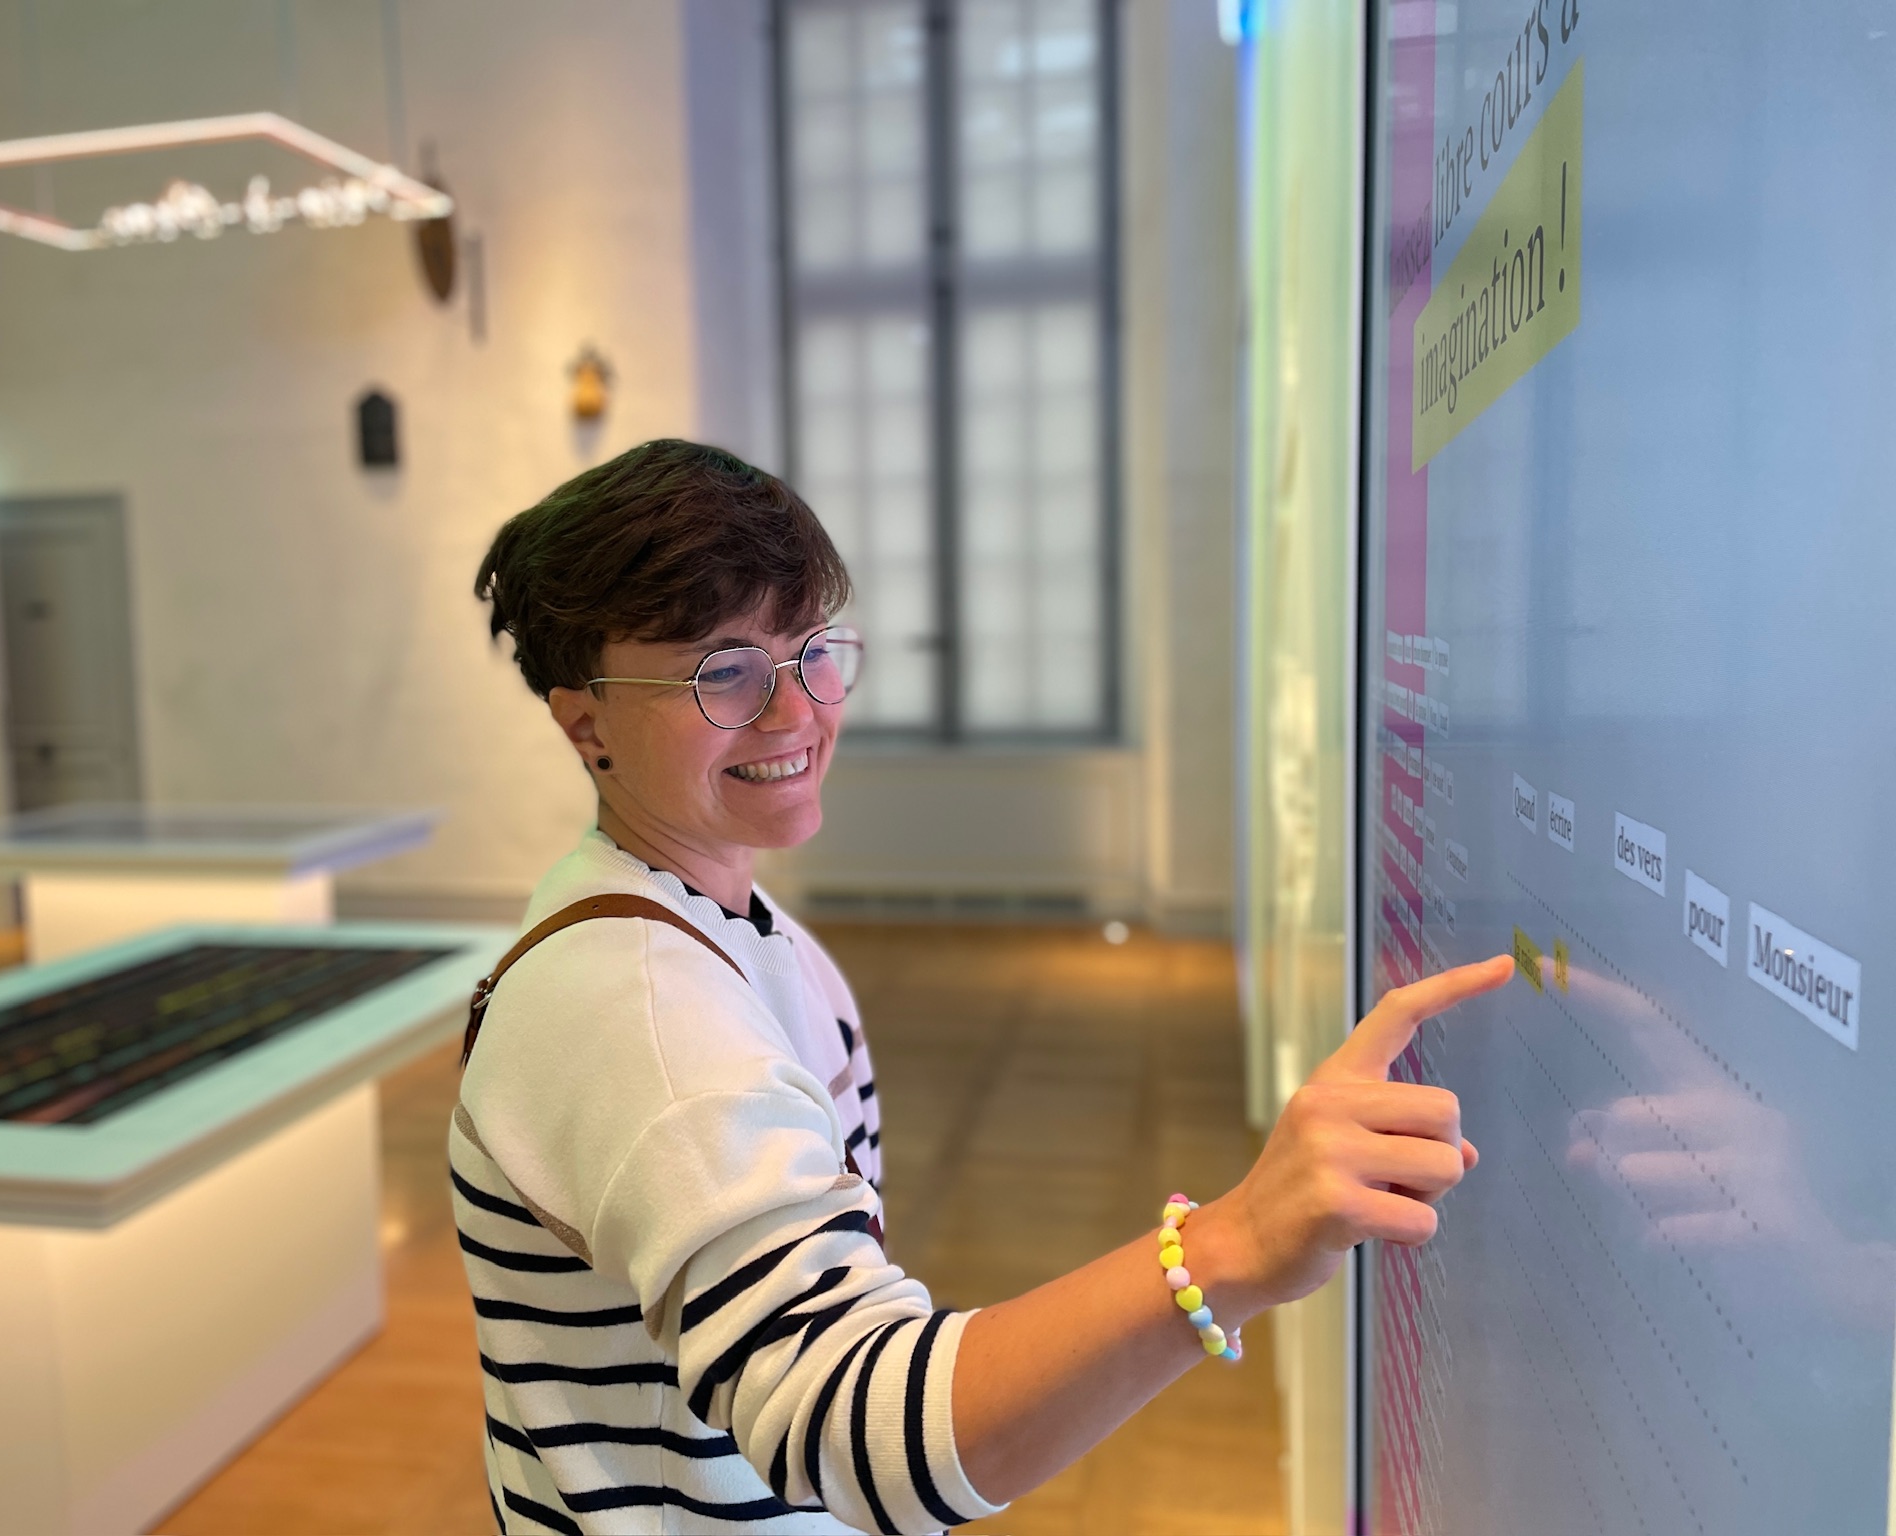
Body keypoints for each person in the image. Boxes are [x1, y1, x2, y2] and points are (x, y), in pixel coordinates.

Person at [456, 438, 1512, 1535]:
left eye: (810, 650)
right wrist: (1236, 1243)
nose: (793, 712)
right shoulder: (639, 1009)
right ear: (585, 721)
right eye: (722, 671)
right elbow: (851, 1427)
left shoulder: (730, 930)